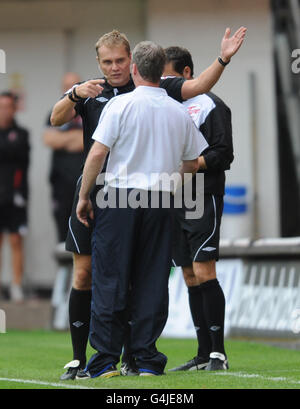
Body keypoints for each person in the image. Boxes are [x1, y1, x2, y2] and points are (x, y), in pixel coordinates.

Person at [50, 27, 246, 380]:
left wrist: (222, 59)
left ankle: (123, 358)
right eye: (107, 62)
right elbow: (56, 118)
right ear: (98, 63)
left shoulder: (156, 89)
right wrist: (75, 93)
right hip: (112, 192)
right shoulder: (93, 93)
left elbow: (199, 86)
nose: (114, 67)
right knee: (86, 273)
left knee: (126, 278)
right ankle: (82, 358)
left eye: (121, 61)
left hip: (119, 195)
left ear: (133, 63)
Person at [75, 40, 208, 378]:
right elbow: (192, 163)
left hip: (119, 198)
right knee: (152, 280)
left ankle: (106, 360)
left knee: (111, 278)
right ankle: (145, 358)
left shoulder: (120, 107)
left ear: (134, 68)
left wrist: (84, 196)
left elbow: (96, 155)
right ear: (162, 71)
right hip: (161, 199)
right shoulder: (179, 111)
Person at [163, 46, 234, 371]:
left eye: (169, 76)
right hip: (174, 201)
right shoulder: (164, 107)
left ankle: (219, 352)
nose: (164, 82)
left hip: (202, 196)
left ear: (187, 74)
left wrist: (189, 166)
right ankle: (203, 352)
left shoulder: (211, 105)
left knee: (205, 270)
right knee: (189, 275)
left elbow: (223, 154)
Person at [43, 73, 84, 244]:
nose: (71, 90)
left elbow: (89, 142)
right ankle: (64, 269)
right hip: (61, 183)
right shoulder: (56, 112)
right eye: (67, 86)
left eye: (74, 86)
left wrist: (64, 139)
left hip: (85, 183)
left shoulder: (89, 110)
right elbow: (50, 139)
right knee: (62, 231)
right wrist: (76, 137)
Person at [0, 92, 30, 302]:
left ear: (14, 108)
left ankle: (16, 285)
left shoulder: (21, 133)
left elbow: (19, 157)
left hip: (16, 194)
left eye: (8, 106)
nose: (4, 111)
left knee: (15, 239)